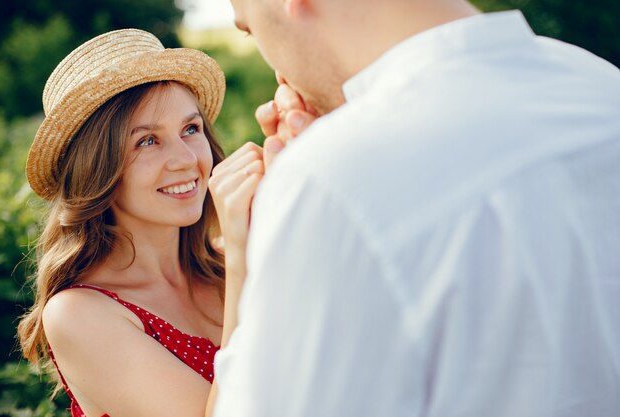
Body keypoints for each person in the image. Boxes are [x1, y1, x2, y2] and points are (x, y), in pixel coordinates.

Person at [212, 0, 620, 416]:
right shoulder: (604, 87)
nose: (278, 75)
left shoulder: (329, 183)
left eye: (251, 30)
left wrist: (291, 209)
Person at [17, 29, 263, 417]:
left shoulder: (227, 264)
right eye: (147, 141)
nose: (185, 159)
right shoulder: (77, 314)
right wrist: (240, 253)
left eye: (191, 129)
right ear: (96, 170)